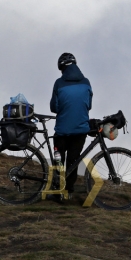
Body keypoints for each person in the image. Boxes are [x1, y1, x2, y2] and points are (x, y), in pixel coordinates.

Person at [49, 53, 92, 201]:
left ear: (62, 68)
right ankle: (69, 190)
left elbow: (54, 107)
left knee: (59, 159)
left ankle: (58, 190)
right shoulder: (86, 82)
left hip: (62, 131)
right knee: (73, 160)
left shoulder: (59, 83)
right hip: (80, 131)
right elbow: (89, 105)